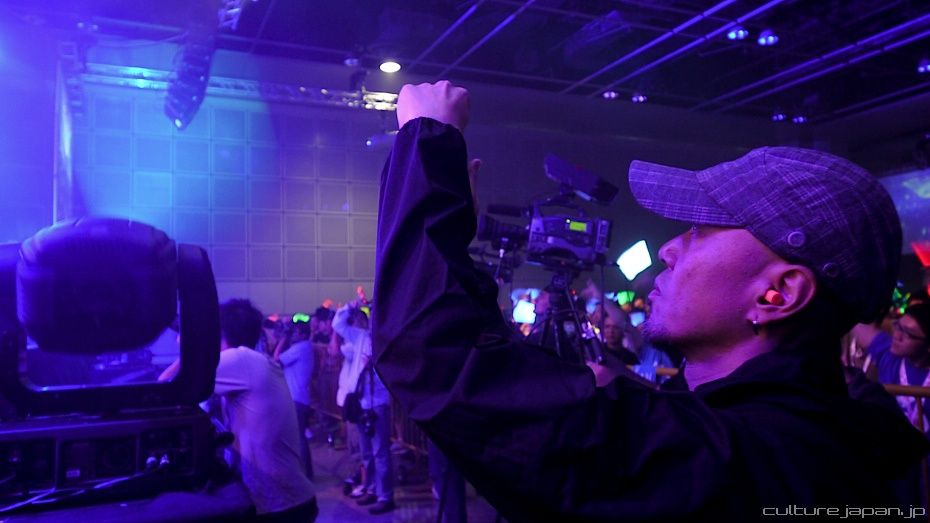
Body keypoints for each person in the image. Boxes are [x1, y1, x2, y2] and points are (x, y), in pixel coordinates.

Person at [372, 80, 930, 521]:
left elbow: (431, 354)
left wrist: (428, 145)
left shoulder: (727, 459)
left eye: (700, 231)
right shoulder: (855, 432)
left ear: (778, 294)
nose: (668, 249)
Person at [213, 299, 317, 522]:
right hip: (287, 502)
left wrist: (192, 343)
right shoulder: (251, 361)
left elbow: (171, 384)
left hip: (281, 508)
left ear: (220, 332)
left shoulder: (240, 359)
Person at [333, 302, 395, 515]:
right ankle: (371, 489)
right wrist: (349, 307)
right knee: (367, 452)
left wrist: (374, 364)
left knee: (380, 452)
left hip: (377, 403)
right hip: (360, 403)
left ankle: (385, 496)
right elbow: (338, 325)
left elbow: (392, 372)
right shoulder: (361, 337)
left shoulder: (388, 341)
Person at [864, 304, 930, 429]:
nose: (896, 336)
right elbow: (860, 328)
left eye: (907, 334)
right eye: (898, 327)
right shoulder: (889, 355)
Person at [274, 319, 316, 479]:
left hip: (297, 398)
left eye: (296, 332)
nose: (293, 335)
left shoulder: (301, 347)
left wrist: (283, 339)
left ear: (304, 334)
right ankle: (306, 472)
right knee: (299, 436)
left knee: (299, 437)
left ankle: (305, 474)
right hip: (298, 397)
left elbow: (276, 359)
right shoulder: (303, 347)